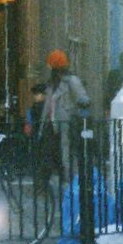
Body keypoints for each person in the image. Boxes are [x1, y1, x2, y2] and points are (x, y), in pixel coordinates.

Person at [38, 49, 91, 183]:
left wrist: (78, 114)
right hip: (53, 123)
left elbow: (83, 99)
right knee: (50, 153)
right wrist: (42, 124)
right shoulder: (52, 83)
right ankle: (50, 180)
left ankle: (69, 179)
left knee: (66, 152)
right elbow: (48, 105)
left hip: (66, 123)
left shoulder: (71, 81)